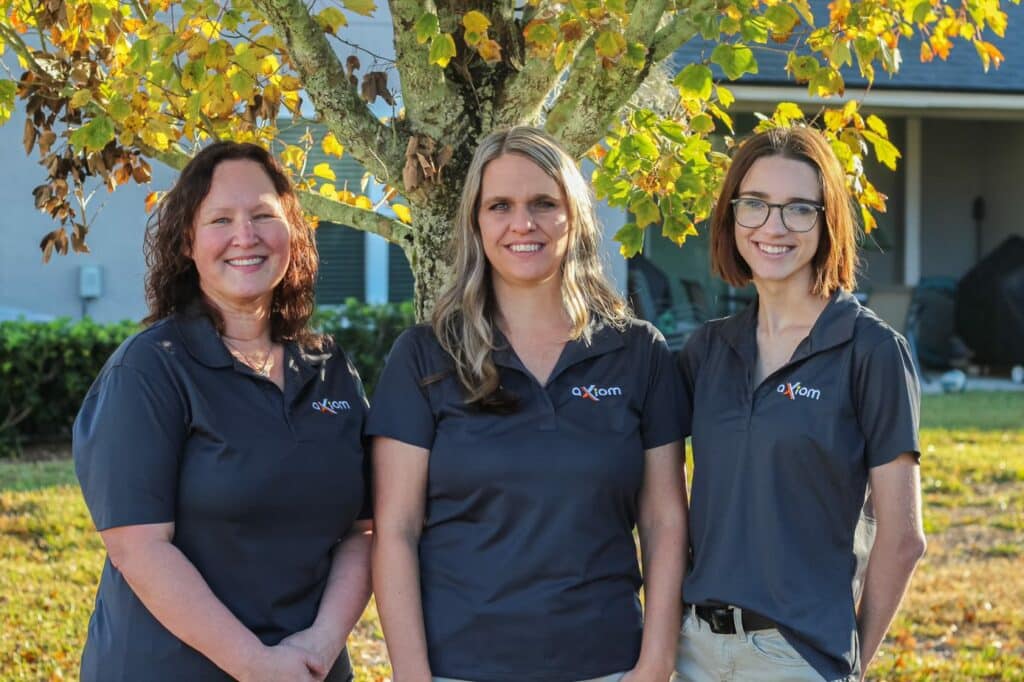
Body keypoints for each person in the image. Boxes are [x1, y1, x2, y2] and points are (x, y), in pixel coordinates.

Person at [368, 126, 687, 682]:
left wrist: (655, 662)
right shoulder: (424, 356)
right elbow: (396, 528)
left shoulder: (637, 353)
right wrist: (412, 676)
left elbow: (663, 520)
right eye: (500, 206)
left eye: (544, 203)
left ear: (575, 217)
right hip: (459, 667)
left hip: (608, 664)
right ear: (477, 222)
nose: (523, 223)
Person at [73, 142, 372, 681]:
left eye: (263, 215)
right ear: (188, 241)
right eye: (220, 219)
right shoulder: (150, 370)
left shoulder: (330, 369)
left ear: (293, 233)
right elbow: (139, 550)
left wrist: (321, 646)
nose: (245, 235)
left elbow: (362, 532)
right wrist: (257, 666)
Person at [674, 126, 927, 682]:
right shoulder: (708, 350)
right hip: (691, 649)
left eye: (797, 209)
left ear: (827, 220)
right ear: (731, 216)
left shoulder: (872, 351)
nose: (773, 227)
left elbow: (903, 537)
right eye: (756, 205)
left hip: (796, 656)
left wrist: (848, 664)